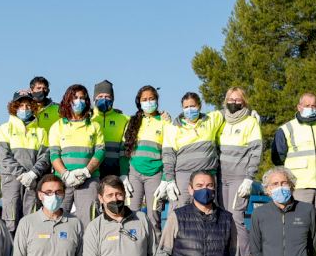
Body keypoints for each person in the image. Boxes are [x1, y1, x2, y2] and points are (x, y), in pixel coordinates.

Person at [271, 92, 316, 256]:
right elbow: (277, 158)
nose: (311, 108)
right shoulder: (286, 129)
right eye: (307, 105)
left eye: (314, 106)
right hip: (300, 187)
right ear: (299, 107)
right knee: (299, 225)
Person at [0, 90, 50, 234]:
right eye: (21, 105)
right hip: (11, 180)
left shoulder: (41, 131)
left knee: (32, 219)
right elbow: (3, 156)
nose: (24, 109)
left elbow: (45, 157)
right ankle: (11, 248)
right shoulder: (4, 129)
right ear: (14, 107)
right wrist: (21, 174)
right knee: (11, 218)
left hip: (32, 181)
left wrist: (32, 174)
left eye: (28, 105)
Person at [217, 86, 262, 256]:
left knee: (236, 217)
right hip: (221, 177)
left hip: (240, 178)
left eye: (237, 99)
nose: (234, 102)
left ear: (244, 101)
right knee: (223, 217)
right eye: (231, 99)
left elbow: (256, 151)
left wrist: (249, 178)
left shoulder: (250, 122)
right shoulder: (221, 119)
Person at [48, 83, 104, 218]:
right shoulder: (57, 126)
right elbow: (54, 155)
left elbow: (100, 152)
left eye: (82, 98)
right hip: (63, 180)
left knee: (89, 217)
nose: (79, 101)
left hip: (89, 180)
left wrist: (86, 171)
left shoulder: (95, 126)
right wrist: (66, 174)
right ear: (68, 101)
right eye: (75, 98)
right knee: (58, 217)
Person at [162, 92, 223, 208]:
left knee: (208, 208)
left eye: (192, 106)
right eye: (186, 107)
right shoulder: (173, 127)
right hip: (183, 175)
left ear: (199, 106)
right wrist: (170, 180)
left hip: (207, 175)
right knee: (180, 208)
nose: (189, 109)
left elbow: (230, 112)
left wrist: (249, 112)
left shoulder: (211, 120)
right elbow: (168, 155)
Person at [120, 85, 169, 229]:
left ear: (157, 100)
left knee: (154, 216)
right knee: (131, 214)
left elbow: (169, 152)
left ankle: (155, 244)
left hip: (156, 174)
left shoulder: (165, 121)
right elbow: (124, 151)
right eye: (144, 99)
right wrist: (124, 174)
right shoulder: (132, 122)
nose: (148, 102)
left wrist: (165, 178)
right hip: (134, 173)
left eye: (151, 99)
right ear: (139, 102)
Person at [90, 80, 129, 178]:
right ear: (94, 98)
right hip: (93, 170)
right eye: (100, 96)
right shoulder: (88, 118)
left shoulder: (124, 118)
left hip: (116, 170)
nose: (104, 99)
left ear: (112, 99)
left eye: (107, 97)